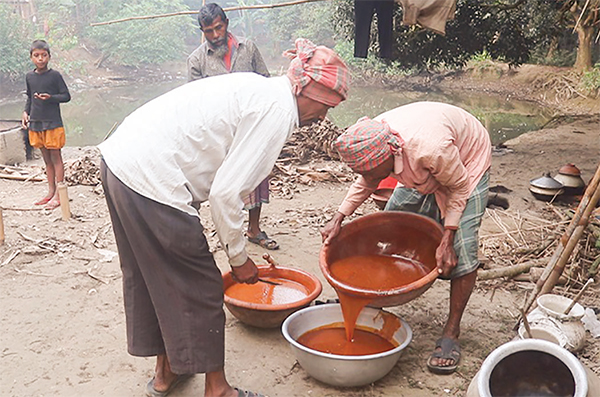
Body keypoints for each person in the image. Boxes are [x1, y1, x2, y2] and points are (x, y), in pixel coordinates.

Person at [99, 38, 348, 397]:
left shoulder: (260, 89)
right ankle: (218, 390)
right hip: (150, 176)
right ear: (304, 87)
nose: (324, 117)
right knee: (201, 284)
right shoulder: (277, 112)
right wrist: (239, 259)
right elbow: (226, 194)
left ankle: (165, 374)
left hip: (120, 161)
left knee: (150, 274)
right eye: (326, 105)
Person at [321, 101, 491, 375]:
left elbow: (458, 188)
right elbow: (367, 179)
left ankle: (451, 332)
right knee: (391, 221)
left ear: (391, 157)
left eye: (376, 172)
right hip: (421, 162)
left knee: (463, 248)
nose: (370, 179)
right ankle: (369, 296)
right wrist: (338, 217)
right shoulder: (372, 138)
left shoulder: (430, 149)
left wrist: (448, 237)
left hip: (466, 161)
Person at [187, 4, 278, 250]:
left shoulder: (248, 48)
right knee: (220, 183)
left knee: (256, 177)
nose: (216, 35)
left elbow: (265, 82)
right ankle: (225, 231)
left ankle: (254, 228)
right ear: (202, 32)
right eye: (209, 31)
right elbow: (195, 102)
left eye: (219, 27)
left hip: (251, 127)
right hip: (219, 134)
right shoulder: (197, 60)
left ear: (227, 23)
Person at [21, 39, 71, 210]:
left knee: (56, 158)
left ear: (49, 57)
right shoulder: (29, 76)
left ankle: (59, 194)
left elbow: (66, 96)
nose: (40, 59)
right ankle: (50, 192)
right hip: (36, 122)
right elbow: (29, 97)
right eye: (36, 56)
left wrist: (51, 97)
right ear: (31, 58)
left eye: (43, 55)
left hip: (53, 122)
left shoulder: (55, 76)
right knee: (46, 159)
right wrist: (25, 112)